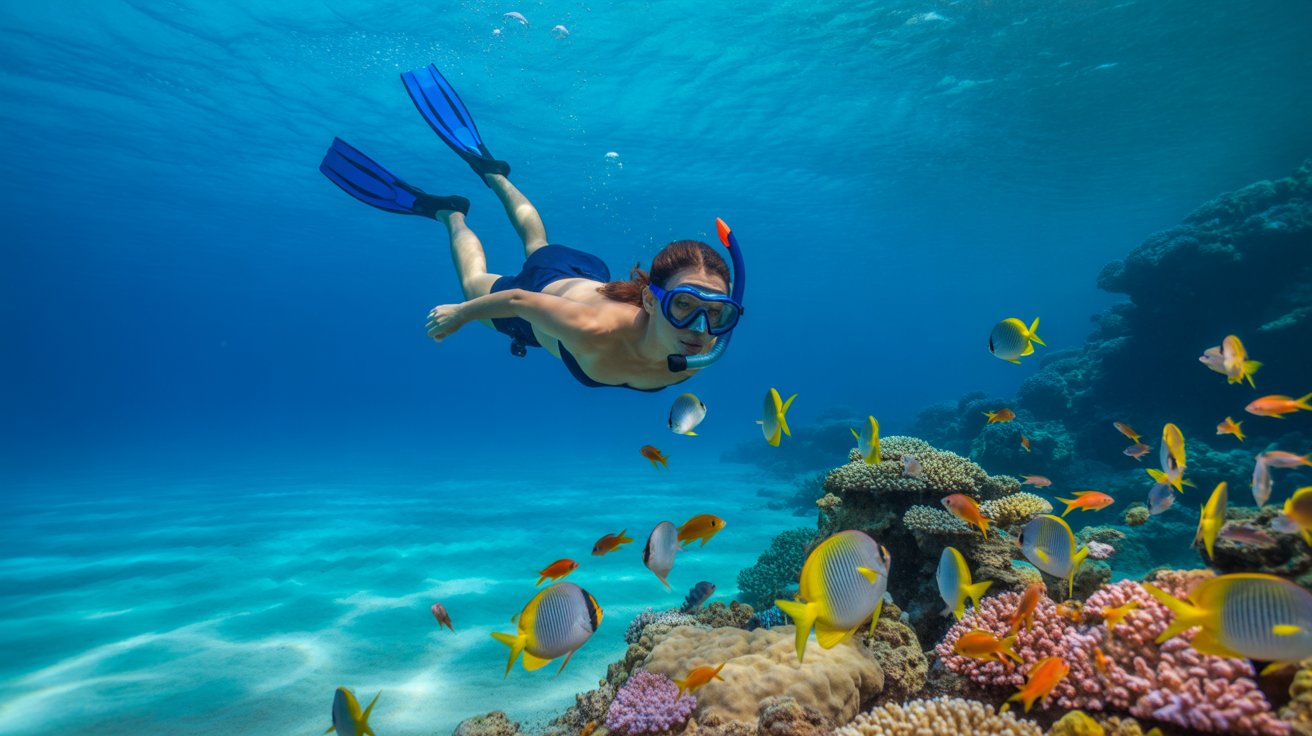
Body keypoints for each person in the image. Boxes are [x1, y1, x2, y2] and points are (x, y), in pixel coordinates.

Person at [320, 65, 744, 391]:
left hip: (584, 275)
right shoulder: (591, 328)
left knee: (537, 242)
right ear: (652, 302)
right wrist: (460, 316)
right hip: (548, 297)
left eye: (716, 312)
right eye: (685, 305)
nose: (700, 328)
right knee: (474, 282)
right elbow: (521, 300)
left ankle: (493, 174)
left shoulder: (704, 349)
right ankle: (450, 213)